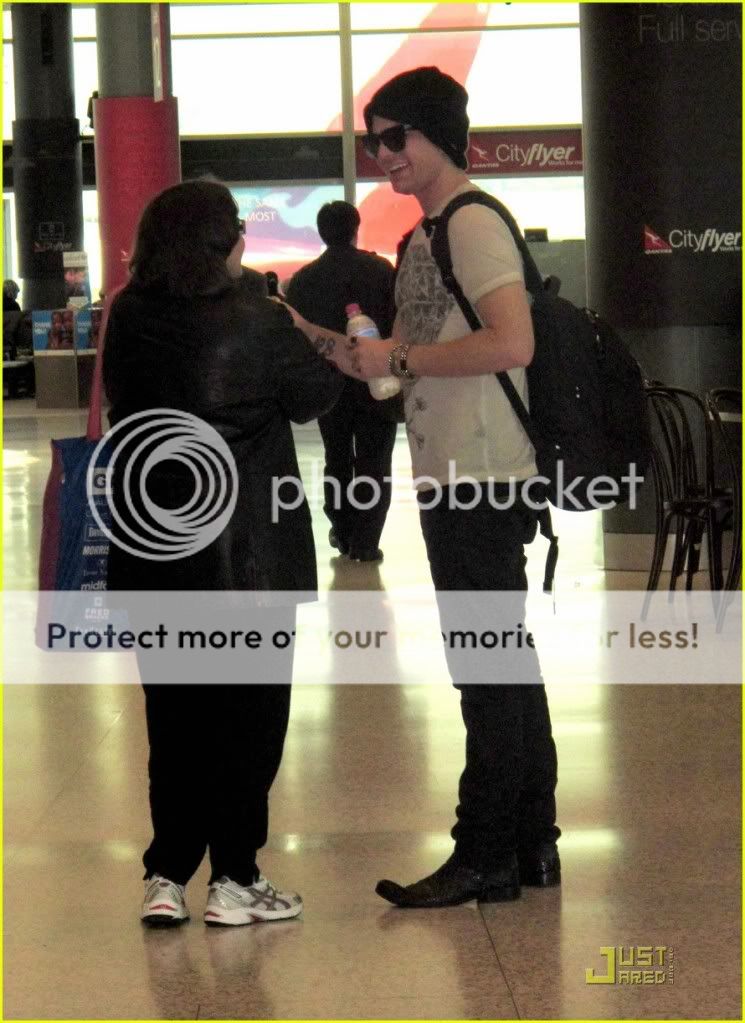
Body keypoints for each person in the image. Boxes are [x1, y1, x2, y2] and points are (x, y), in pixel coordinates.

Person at [286, 67, 560, 908]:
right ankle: (531, 842)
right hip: (452, 473)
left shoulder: (471, 224)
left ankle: (484, 851)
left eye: (395, 137)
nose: (384, 155)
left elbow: (512, 343)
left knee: (485, 664)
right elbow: (386, 371)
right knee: (503, 659)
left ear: (439, 132)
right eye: (375, 141)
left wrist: (398, 355)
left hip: (483, 477)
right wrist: (306, 334)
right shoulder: (423, 236)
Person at [103, 180, 343, 927]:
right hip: (250, 558)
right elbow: (313, 396)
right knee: (249, 720)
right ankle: (235, 876)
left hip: (157, 548)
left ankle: (167, 874)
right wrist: (296, 325)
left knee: (175, 718)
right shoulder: (259, 317)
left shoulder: (128, 314)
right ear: (221, 241)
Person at [285, 201, 398, 561]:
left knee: (336, 457)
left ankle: (343, 531)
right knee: (374, 461)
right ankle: (366, 542)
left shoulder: (304, 279)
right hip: (377, 380)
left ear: (321, 232)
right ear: (355, 228)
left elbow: (298, 337)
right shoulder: (381, 270)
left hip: (329, 385)